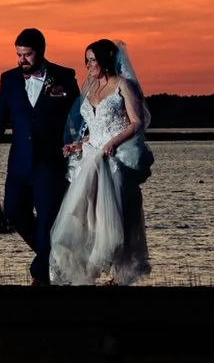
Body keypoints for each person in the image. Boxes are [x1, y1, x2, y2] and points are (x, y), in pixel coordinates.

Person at [47, 37, 152, 286]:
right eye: (86, 61)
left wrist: (113, 143)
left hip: (115, 158)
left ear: (105, 60)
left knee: (115, 219)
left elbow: (137, 122)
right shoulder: (91, 89)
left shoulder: (123, 85)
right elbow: (93, 129)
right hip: (91, 156)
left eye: (92, 60)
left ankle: (118, 276)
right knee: (82, 216)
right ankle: (83, 271)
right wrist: (78, 144)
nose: (88, 65)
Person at [0, 26, 80, 284]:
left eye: (27, 55)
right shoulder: (9, 79)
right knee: (13, 211)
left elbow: (79, 117)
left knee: (48, 219)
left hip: (51, 162)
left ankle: (40, 276)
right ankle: (55, 258)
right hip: (20, 162)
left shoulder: (64, 77)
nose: (21, 60)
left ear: (41, 52)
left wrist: (78, 145)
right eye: (18, 54)